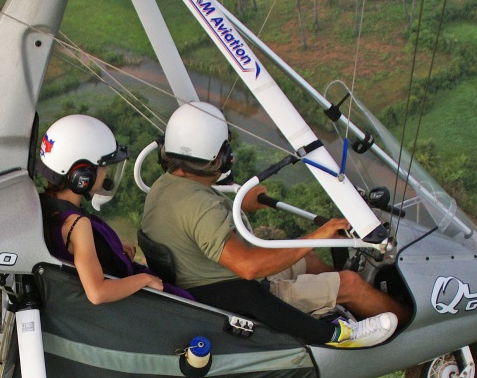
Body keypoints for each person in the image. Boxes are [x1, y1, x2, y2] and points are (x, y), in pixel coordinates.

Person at [140, 101, 401, 348]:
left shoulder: (166, 186)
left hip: (205, 278)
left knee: (307, 261)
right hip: (243, 295)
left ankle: (344, 304)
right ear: (218, 157)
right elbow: (249, 267)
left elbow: (191, 221)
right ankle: (410, 332)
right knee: (350, 283)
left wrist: (239, 205)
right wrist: (317, 235)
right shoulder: (200, 207)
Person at [38, 114, 174, 304]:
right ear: (82, 175)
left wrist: (111, 250)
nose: (108, 172)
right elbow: (97, 293)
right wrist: (144, 279)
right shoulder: (77, 225)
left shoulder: (43, 204)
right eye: (104, 167)